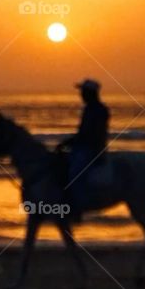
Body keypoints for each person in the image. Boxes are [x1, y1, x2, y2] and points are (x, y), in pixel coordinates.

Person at [56, 78, 110, 212]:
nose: (81, 95)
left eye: (83, 92)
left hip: (92, 149)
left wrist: (69, 142)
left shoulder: (98, 110)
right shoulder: (90, 109)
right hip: (85, 146)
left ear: (90, 93)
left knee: (75, 171)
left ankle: (77, 204)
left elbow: (88, 133)